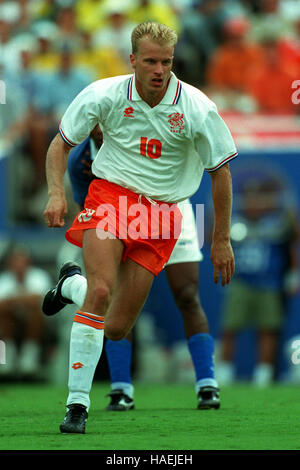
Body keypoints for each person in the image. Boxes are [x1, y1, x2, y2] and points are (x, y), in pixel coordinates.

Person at [43, 22, 237, 434]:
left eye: (165, 62)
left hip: (164, 216)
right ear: (132, 59)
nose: (159, 70)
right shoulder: (104, 93)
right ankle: (77, 405)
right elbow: (60, 143)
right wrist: (56, 195)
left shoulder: (197, 107)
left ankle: (68, 285)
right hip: (111, 199)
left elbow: (221, 172)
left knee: (115, 327)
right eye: (150, 61)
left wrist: (220, 239)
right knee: (100, 292)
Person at [47, 123, 218, 412]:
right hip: (120, 213)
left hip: (174, 207)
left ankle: (207, 384)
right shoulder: (81, 163)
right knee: (111, 292)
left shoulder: (138, 127)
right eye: (96, 126)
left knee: (187, 293)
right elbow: (87, 206)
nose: (102, 130)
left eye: (105, 124)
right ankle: (121, 388)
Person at [217, 173, 300, 386]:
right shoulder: (234, 221)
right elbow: (210, 234)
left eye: (259, 198)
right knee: (230, 326)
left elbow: (292, 241)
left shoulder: (277, 223)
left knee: (267, 328)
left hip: (269, 283)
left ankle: (263, 374)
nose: (254, 203)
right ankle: (224, 373)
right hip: (241, 282)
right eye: (250, 198)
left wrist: (293, 274)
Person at [0, 243, 52, 380]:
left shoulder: (39, 276)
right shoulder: (4, 279)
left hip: (38, 323)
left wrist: (13, 300)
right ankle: (6, 358)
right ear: (10, 263)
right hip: (10, 322)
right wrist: (24, 300)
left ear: (28, 262)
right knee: (3, 314)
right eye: (15, 261)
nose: (18, 265)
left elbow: (39, 300)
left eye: (21, 261)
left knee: (36, 312)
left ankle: (29, 359)